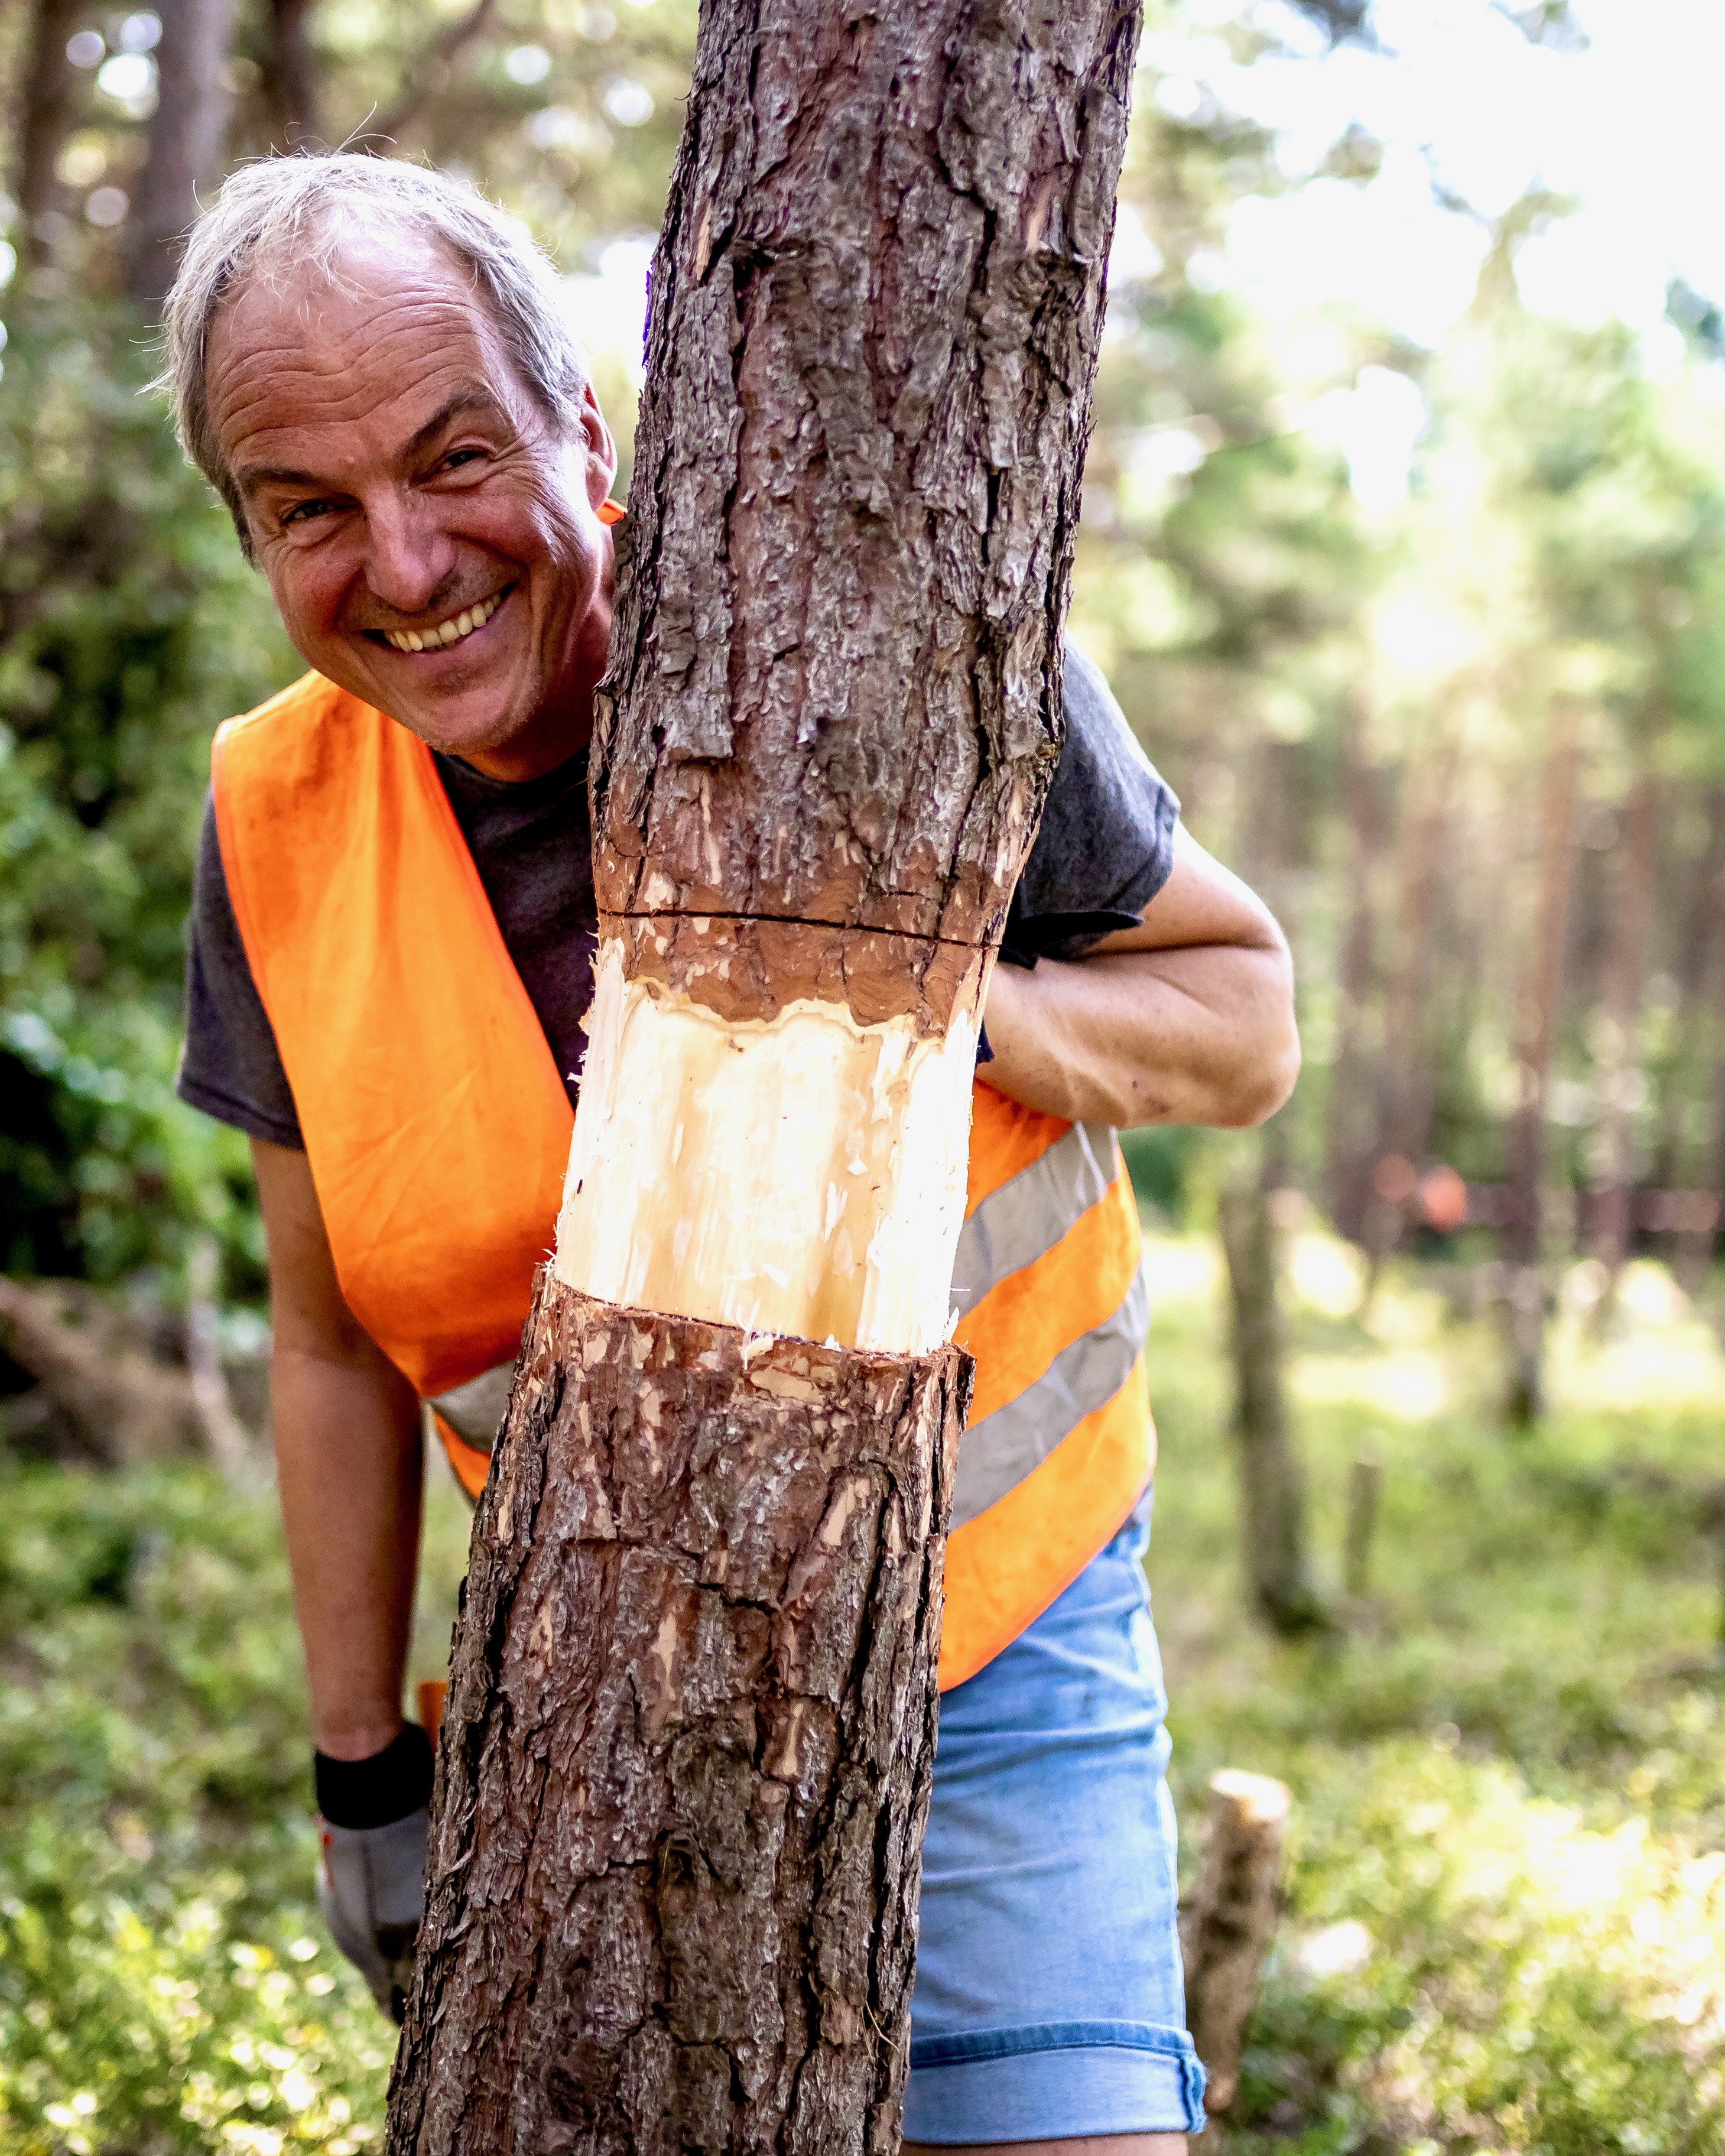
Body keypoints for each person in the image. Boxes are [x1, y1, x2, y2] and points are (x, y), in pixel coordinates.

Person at [155, 153, 1298, 2156]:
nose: (408, 563)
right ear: (247, 533)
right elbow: (331, 1337)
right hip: (593, 1686)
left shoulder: (878, 632)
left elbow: (1244, 1017)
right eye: (310, 510)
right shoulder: (274, 817)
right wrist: (365, 1774)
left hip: (1000, 1633)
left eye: (453, 458)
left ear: (580, 424)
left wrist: (955, 1010)